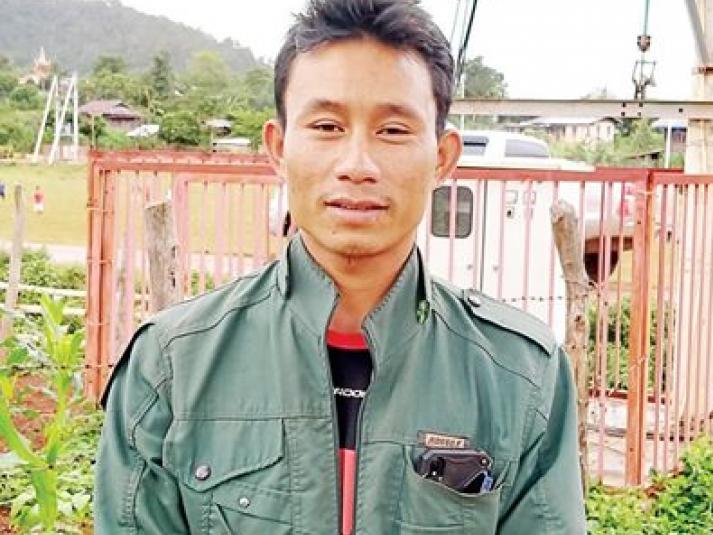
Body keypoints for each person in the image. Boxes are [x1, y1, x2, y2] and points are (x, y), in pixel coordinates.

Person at [94, 1, 586, 533]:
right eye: (327, 126)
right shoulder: (172, 365)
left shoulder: (520, 377)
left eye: (393, 130)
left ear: (442, 157)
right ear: (279, 149)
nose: (357, 165)